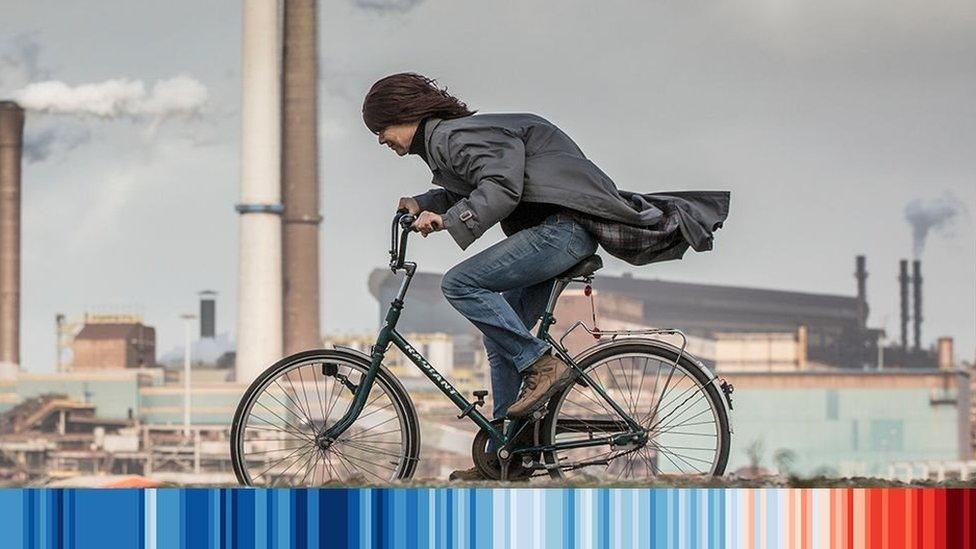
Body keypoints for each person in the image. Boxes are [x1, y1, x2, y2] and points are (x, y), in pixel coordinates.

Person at [362, 73, 729, 480]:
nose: (381, 140)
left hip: (560, 231)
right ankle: (508, 454)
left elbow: (501, 186)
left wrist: (448, 220)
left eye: (382, 129)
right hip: (555, 232)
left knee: (459, 284)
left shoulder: (453, 136)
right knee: (502, 333)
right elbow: (481, 182)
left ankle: (541, 363)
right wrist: (423, 202)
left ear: (407, 114)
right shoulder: (452, 141)